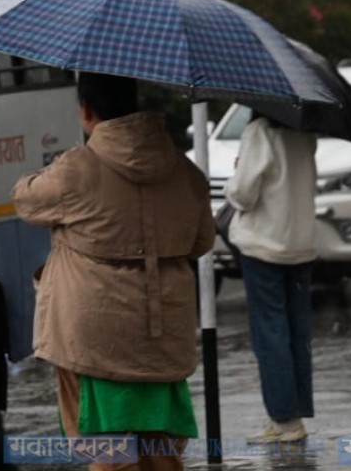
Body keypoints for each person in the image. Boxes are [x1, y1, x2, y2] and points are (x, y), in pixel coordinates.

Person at [12, 72, 215, 471]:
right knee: (161, 453)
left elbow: (25, 200)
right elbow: (202, 242)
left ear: (87, 110)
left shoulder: (75, 169)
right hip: (164, 336)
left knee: (108, 453)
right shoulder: (185, 172)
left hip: (90, 337)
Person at [223, 111, 317, 443]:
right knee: (295, 331)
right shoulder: (304, 133)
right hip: (300, 244)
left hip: (264, 246)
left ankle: (284, 420)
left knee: (270, 333)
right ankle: (293, 415)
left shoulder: (259, 132)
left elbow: (244, 194)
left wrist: (235, 177)